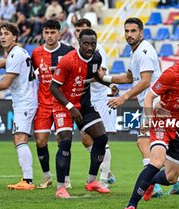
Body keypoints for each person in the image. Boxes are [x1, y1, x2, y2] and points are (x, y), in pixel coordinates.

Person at [103, 17, 179, 197]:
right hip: (152, 104)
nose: (129, 35)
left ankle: (154, 185)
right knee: (152, 145)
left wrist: (124, 97)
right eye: (127, 31)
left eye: (133, 31)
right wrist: (105, 79)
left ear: (141, 32)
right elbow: (128, 77)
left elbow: (145, 81)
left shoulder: (143, 51)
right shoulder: (136, 52)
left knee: (144, 142)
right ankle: (177, 183)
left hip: (155, 104)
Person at [121, 37, 179, 209]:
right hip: (161, 123)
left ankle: (150, 182)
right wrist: (150, 118)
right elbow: (149, 96)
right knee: (156, 162)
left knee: (171, 177)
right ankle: (131, 205)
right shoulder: (171, 73)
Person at [49, 28, 110, 198]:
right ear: (79, 43)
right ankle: (61, 188)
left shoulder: (96, 58)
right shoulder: (68, 61)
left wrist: (109, 85)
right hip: (63, 105)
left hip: (83, 105)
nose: (89, 47)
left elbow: (94, 76)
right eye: (86, 43)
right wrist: (70, 107)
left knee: (101, 138)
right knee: (66, 142)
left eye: (93, 43)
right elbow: (53, 87)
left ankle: (91, 182)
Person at [0, 23, 38, 190]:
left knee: (20, 138)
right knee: (19, 138)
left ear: (15, 37)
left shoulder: (15, 54)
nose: (2, 37)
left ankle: (27, 181)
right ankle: (27, 178)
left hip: (25, 102)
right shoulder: (17, 53)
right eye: (1, 34)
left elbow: (6, 82)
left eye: (6, 33)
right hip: (25, 101)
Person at [73, 18, 119, 188]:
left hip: (101, 99)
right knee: (86, 140)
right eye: (78, 30)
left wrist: (79, 81)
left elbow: (100, 75)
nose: (80, 32)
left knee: (102, 140)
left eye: (84, 29)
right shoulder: (76, 51)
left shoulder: (98, 51)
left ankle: (104, 180)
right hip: (86, 100)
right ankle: (105, 169)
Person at [31, 19, 74, 189]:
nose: (49, 36)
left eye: (53, 32)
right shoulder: (36, 53)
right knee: (40, 141)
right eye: (47, 33)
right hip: (43, 103)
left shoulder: (69, 51)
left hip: (61, 103)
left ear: (59, 33)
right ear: (43, 33)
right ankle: (47, 176)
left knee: (63, 141)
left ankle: (66, 178)